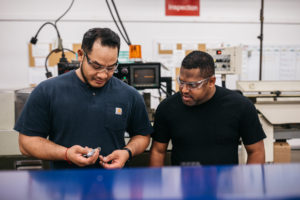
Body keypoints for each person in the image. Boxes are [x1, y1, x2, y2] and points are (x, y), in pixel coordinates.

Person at [15, 28, 153, 169]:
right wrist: (66, 153)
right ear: (81, 55)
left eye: (111, 67)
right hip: (65, 186)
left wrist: (127, 152)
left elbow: (142, 136)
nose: (103, 75)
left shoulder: (129, 95)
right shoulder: (48, 91)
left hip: (113, 185)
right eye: (96, 66)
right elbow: (26, 143)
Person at [150, 51, 266, 166]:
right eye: (181, 82)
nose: (184, 90)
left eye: (192, 85)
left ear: (211, 81)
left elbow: (256, 151)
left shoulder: (241, 106)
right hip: (185, 183)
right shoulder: (167, 108)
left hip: (226, 183)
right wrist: (158, 182)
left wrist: (252, 182)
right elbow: (158, 151)